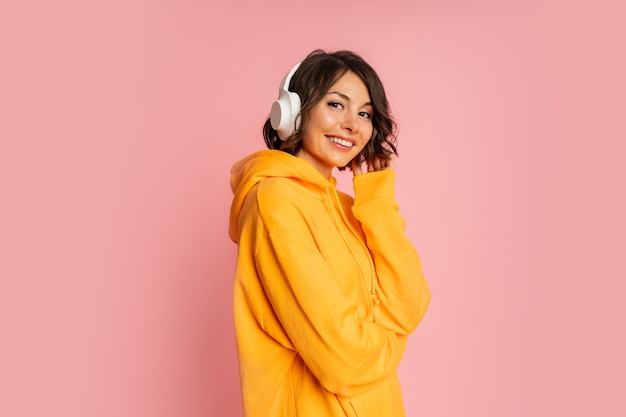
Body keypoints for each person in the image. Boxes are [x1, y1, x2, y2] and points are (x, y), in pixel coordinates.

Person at [228, 49, 431, 417]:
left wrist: (377, 200)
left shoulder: (348, 208)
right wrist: (396, 340)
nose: (353, 124)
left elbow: (410, 302)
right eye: (337, 105)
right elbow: (343, 361)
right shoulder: (274, 202)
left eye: (365, 113)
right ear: (293, 111)